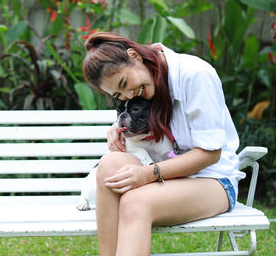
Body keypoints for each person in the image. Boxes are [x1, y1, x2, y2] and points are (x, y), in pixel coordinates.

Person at [82, 32, 245, 256]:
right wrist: (117, 127)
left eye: (124, 83)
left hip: (213, 179)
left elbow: (210, 154)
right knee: (110, 166)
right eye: (119, 95)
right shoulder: (147, 77)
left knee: (135, 202)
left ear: (134, 56)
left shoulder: (194, 74)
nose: (129, 94)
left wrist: (149, 173)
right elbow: (142, 115)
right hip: (168, 176)